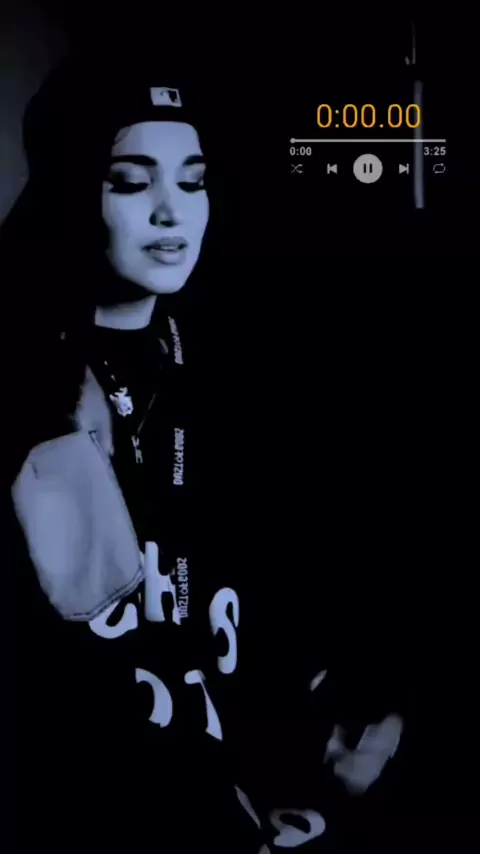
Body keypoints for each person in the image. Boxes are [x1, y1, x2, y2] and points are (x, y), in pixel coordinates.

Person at [9, 51, 405, 854]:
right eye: (131, 182)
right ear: (69, 191)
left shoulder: (224, 368)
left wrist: (322, 732)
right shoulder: (29, 395)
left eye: (192, 183)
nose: (172, 212)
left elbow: (263, 608)